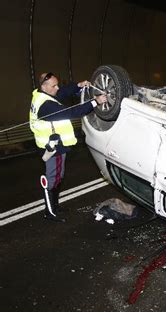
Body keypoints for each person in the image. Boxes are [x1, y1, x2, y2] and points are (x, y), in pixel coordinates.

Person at [29, 72, 107, 222]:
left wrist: (77, 86)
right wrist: (95, 102)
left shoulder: (42, 95)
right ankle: (50, 212)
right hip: (53, 147)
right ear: (44, 86)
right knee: (52, 179)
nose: (57, 87)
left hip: (54, 144)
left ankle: (55, 206)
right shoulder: (46, 106)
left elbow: (62, 92)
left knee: (58, 176)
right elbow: (72, 112)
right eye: (54, 85)